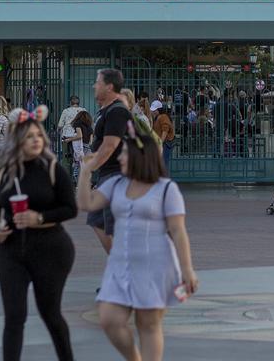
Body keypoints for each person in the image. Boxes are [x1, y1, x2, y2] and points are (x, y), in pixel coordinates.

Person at [77, 116, 198, 361]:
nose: (119, 158)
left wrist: (187, 270)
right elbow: (86, 203)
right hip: (120, 264)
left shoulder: (166, 189)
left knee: (148, 325)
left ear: (140, 157)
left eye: (124, 154)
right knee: (109, 319)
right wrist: (85, 172)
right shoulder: (116, 184)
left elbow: (178, 231)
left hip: (155, 264)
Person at [0, 108, 78, 361]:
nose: (36, 140)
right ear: (18, 141)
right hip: (11, 250)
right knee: (14, 316)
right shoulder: (3, 172)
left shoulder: (52, 169)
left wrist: (40, 217)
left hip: (51, 249)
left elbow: (70, 209)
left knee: (50, 313)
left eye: (39, 135)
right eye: (29, 136)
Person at [88, 68, 135, 255]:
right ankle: (120, 269)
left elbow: (110, 145)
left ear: (109, 87)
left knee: (114, 227)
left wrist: (89, 168)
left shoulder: (117, 111)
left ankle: (125, 274)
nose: (94, 86)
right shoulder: (106, 111)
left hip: (117, 176)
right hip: (108, 176)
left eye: (98, 82)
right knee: (97, 220)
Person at [62, 110, 93, 184]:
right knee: (86, 169)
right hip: (88, 149)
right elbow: (91, 140)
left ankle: (78, 187)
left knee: (77, 168)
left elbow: (79, 136)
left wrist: (68, 140)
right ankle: (87, 186)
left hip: (80, 148)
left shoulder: (78, 123)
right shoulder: (89, 127)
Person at [152, 104, 175, 173]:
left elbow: (165, 129)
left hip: (165, 143)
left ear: (159, 110)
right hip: (163, 143)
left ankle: (164, 180)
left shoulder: (163, 117)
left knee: (164, 163)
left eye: (154, 110)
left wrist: (161, 142)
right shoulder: (159, 117)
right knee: (163, 163)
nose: (153, 112)